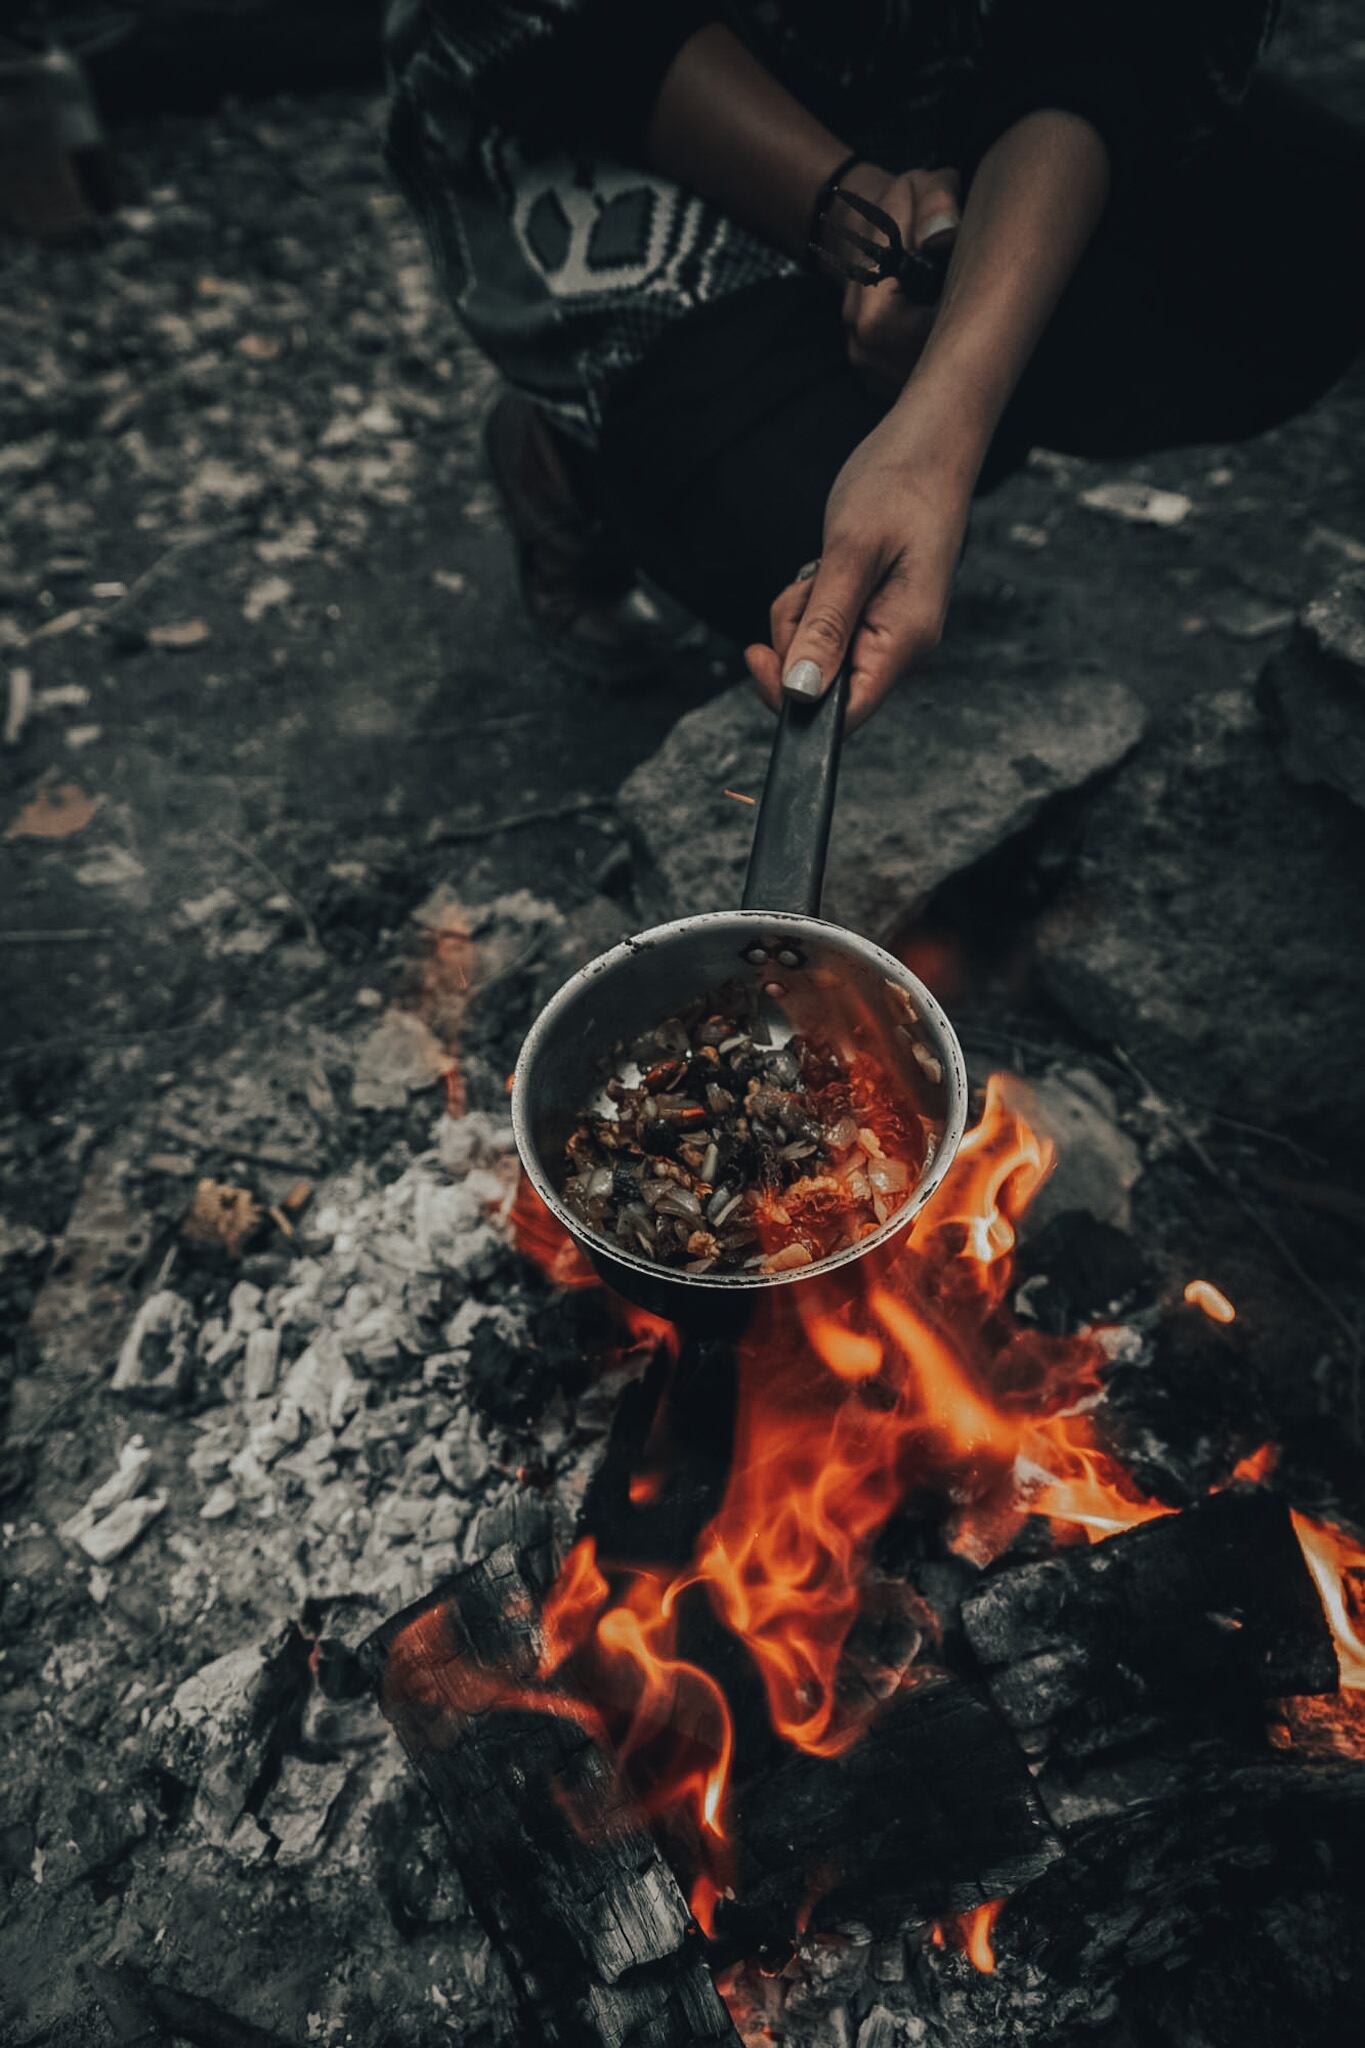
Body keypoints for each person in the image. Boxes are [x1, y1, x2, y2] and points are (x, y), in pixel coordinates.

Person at [382, 1, 1363, 727]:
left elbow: (1108, 49)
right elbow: (586, 33)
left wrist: (940, 426)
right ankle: (569, 459)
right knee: (780, 526)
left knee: (1304, 251)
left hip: (950, 64)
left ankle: (904, 407)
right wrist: (847, 208)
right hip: (628, 99)